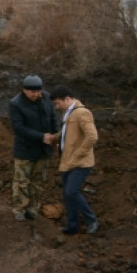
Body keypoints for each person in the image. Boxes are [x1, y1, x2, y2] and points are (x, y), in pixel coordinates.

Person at [50, 86, 99, 235]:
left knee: (71, 192)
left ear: (68, 99)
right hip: (68, 161)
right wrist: (54, 138)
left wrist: (78, 154)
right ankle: (72, 226)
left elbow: (92, 136)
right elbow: (68, 133)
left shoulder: (82, 113)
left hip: (80, 163)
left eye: (58, 103)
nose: (57, 107)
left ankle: (91, 220)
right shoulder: (69, 113)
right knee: (67, 194)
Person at [7, 75, 57, 221]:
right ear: (24, 90)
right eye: (31, 91)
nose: (35, 94)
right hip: (25, 149)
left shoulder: (47, 98)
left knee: (38, 181)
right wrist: (41, 136)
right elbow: (19, 128)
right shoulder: (16, 104)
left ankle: (32, 208)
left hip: (44, 149)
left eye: (37, 91)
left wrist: (54, 138)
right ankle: (19, 209)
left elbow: (53, 118)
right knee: (21, 181)